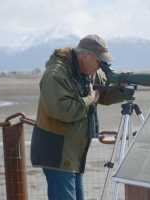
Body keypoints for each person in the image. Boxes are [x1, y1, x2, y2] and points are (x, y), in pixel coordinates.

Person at [30, 34, 129, 200]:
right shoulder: (56, 74)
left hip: (72, 152)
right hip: (57, 151)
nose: (101, 66)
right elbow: (65, 110)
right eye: (99, 61)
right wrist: (91, 98)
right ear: (86, 56)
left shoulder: (87, 71)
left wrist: (123, 89)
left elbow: (101, 93)